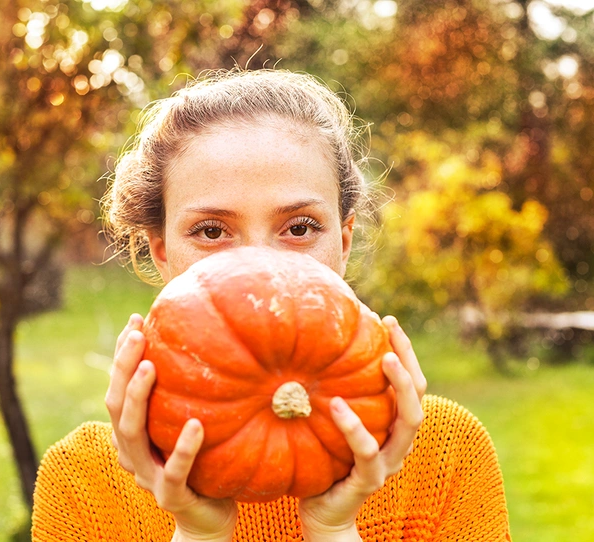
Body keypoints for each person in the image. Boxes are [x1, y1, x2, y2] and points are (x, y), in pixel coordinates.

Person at [31, 69, 511, 541]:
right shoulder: (81, 484)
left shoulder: (446, 454)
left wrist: (334, 529)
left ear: (343, 244)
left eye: (299, 228)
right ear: (162, 252)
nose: (260, 264)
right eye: (212, 231)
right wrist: (198, 534)